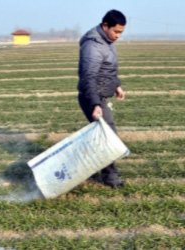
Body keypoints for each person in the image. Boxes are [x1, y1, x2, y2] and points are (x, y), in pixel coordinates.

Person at [77, 9, 126, 188]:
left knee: (106, 137)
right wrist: (95, 104)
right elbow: (88, 76)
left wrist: (116, 85)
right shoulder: (93, 45)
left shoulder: (107, 41)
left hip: (100, 97)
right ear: (105, 26)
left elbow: (108, 68)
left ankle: (106, 172)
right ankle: (110, 178)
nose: (118, 36)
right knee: (108, 138)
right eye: (116, 31)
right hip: (92, 98)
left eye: (121, 32)